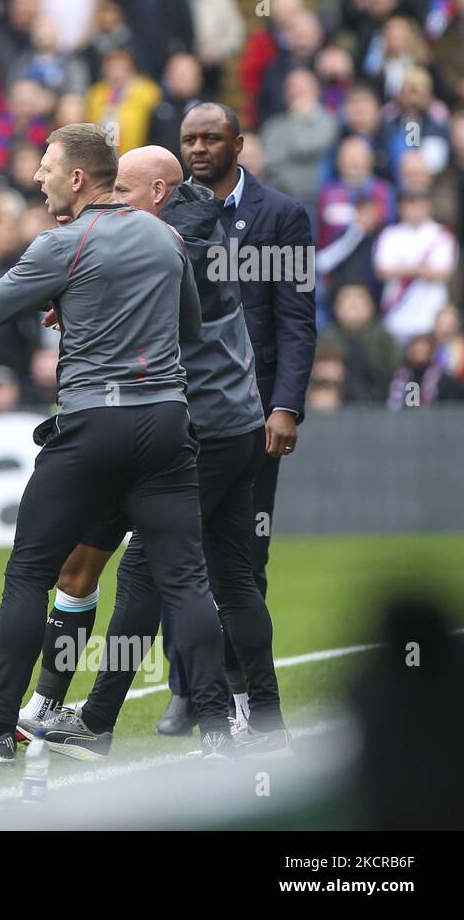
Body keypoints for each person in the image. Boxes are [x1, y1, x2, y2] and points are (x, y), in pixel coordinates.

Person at [0, 123, 234, 765]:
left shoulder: (63, 242)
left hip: (94, 424)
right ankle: (217, 731)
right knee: (185, 581)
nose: (36, 178)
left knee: (30, 571)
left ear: (77, 179)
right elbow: (188, 325)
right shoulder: (168, 237)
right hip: (168, 423)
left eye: (46, 168)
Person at [25, 146, 290, 760]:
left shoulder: (172, 243)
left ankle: (116, 722)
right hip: (238, 423)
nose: (114, 200)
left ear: (159, 192)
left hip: (197, 429)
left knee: (153, 575)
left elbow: (154, 321)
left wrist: (77, 303)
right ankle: (268, 726)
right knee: (235, 579)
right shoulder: (205, 231)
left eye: (123, 188)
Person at [163, 101, 316, 735]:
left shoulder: (281, 216)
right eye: (189, 140)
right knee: (180, 557)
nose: (198, 149)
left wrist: (285, 405)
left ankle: (238, 691)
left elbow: (295, 318)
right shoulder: (168, 215)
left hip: (251, 415)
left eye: (210, 138)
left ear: (238, 142)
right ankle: (188, 688)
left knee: (243, 561)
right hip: (180, 412)